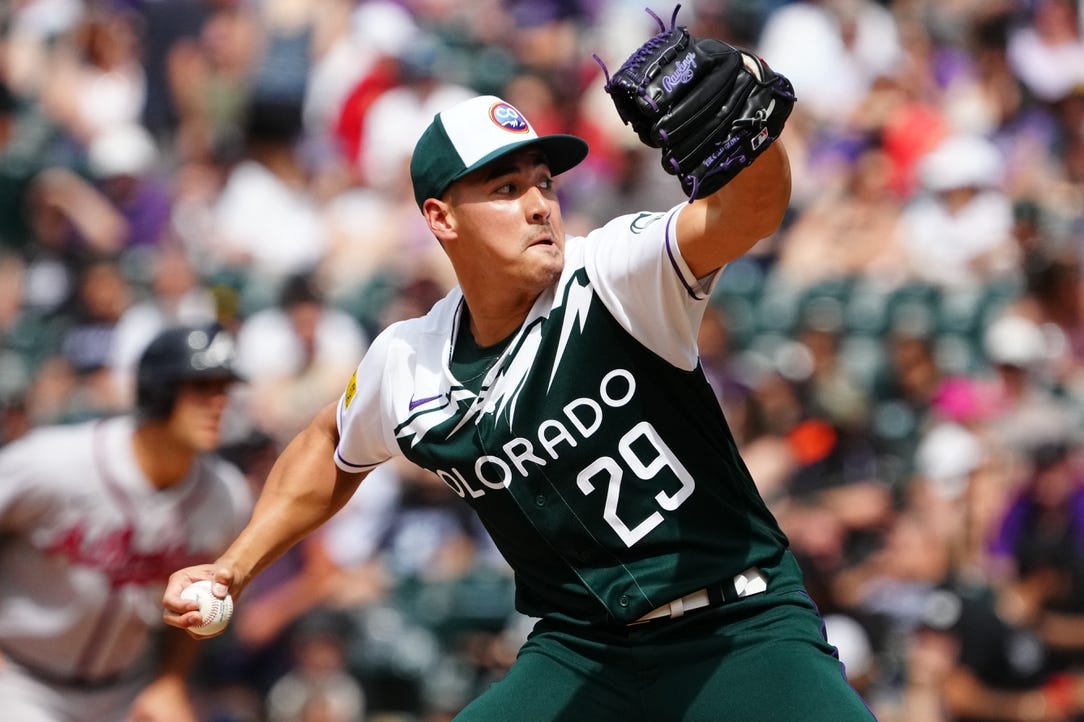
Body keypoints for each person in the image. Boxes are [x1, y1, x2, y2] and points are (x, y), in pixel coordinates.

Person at [163, 86, 875, 719]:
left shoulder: (612, 276)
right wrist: (234, 566)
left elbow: (745, 214)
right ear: (441, 218)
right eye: (505, 189)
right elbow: (329, 445)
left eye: (544, 183)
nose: (539, 204)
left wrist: (750, 141)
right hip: (585, 649)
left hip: (735, 624)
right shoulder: (409, 361)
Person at [0, 323, 254, 721]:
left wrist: (171, 680)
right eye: (202, 388)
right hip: (18, 681)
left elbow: (205, 602)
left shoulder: (225, 496)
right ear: (158, 390)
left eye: (223, 389)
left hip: (126, 691)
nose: (219, 403)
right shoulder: (54, 463)